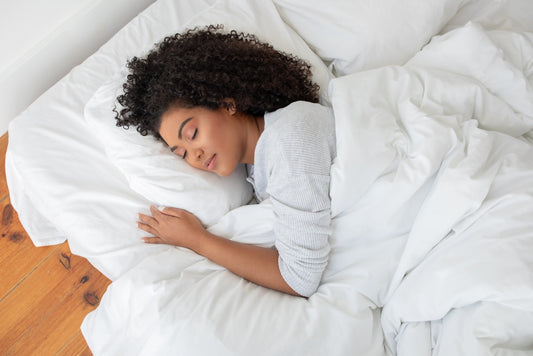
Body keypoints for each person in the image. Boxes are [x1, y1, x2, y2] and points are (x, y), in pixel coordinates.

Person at [115, 25, 336, 297]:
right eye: (181, 153)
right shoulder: (260, 164)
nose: (194, 154)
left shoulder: (289, 138)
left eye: (192, 134)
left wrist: (198, 240)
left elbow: (300, 278)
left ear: (228, 104)